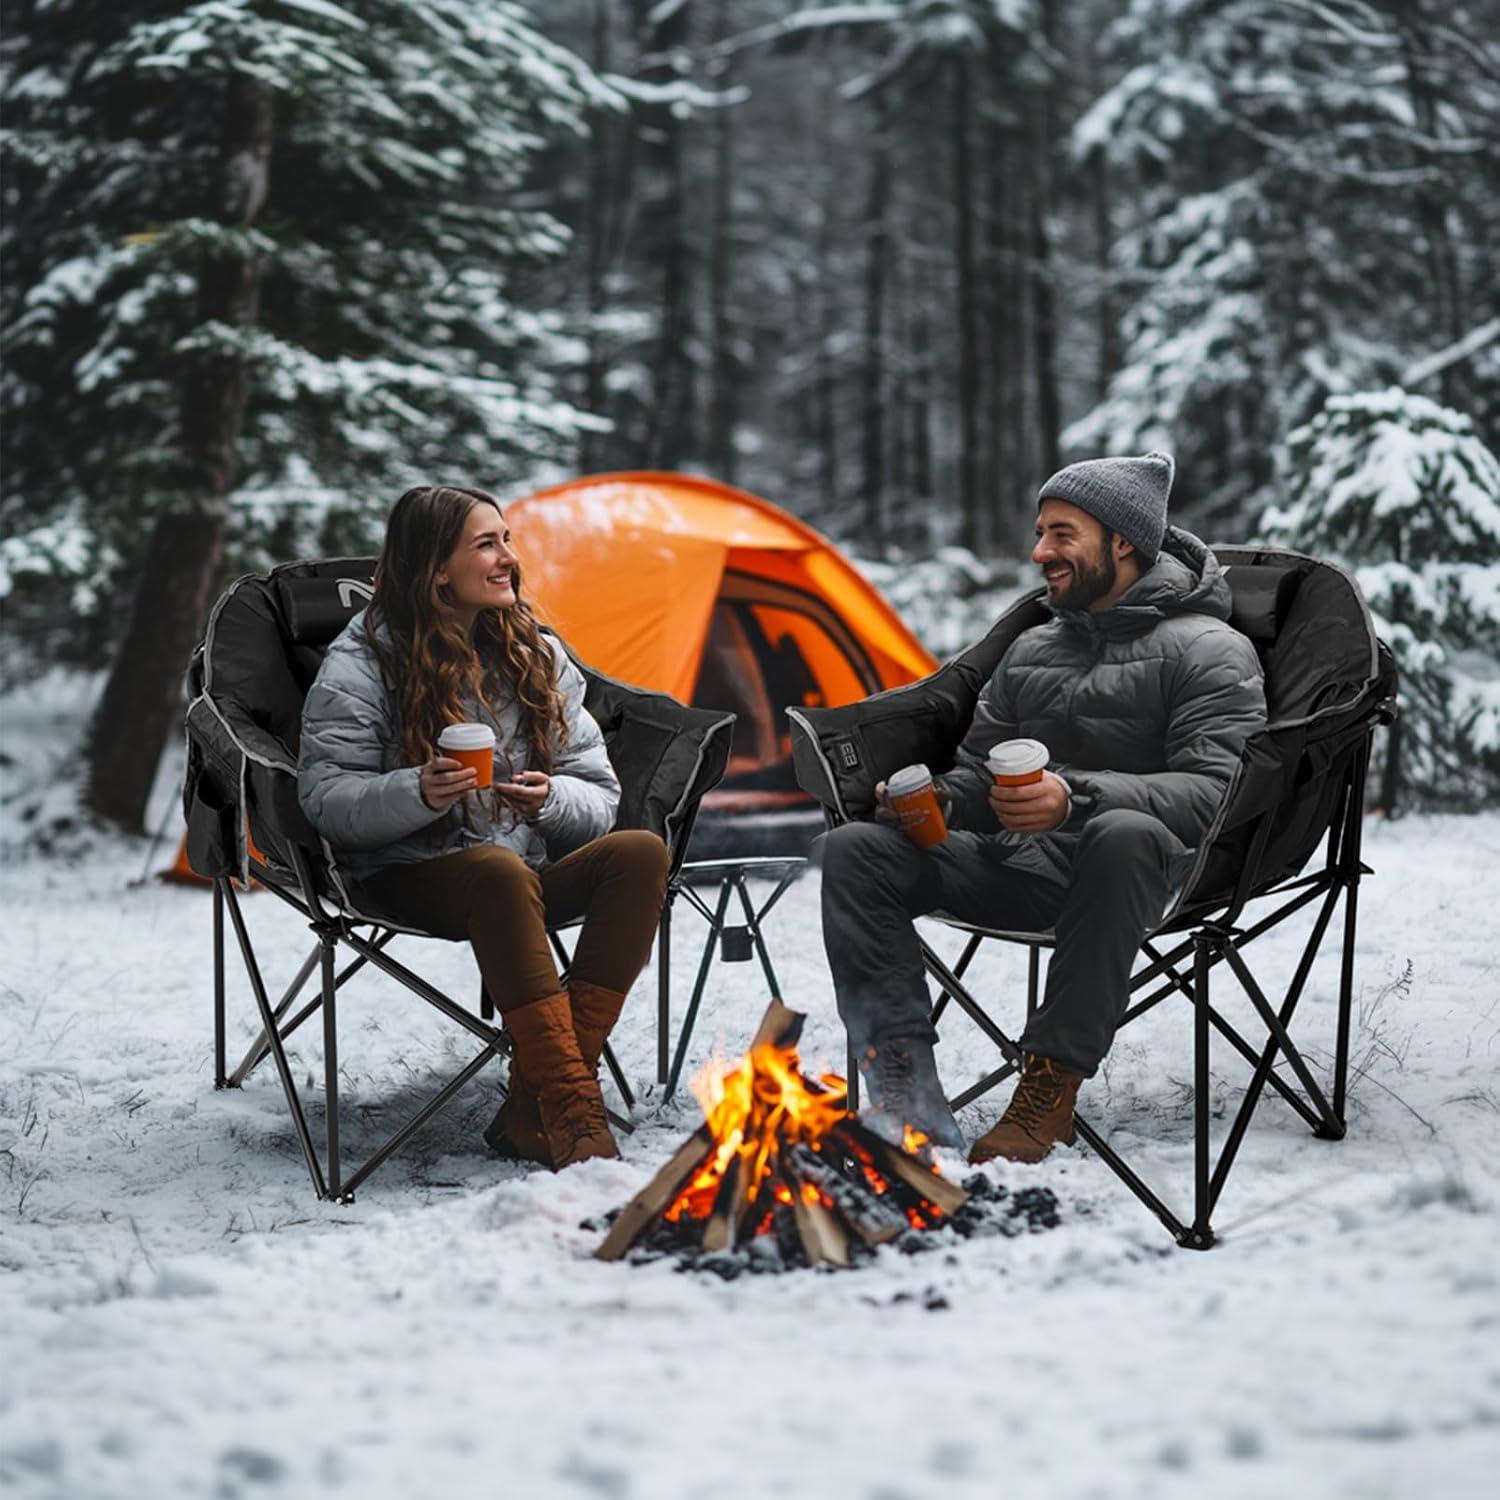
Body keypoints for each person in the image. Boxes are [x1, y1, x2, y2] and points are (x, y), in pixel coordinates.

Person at [819, 452, 1267, 1164]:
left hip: (1134, 878)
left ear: (1123, 540)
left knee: (1122, 832)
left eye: (1061, 534)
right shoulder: (1031, 648)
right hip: (1012, 867)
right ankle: (902, 1086)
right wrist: (937, 797)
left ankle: (1049, 1088)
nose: (1039, 553)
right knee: (854, 849)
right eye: (1039, 533)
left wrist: (1074, 797)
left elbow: (1218, 793)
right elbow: (976, 776)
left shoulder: (1210, 651)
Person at [297, 484, 670, 1170]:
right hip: (407, 876)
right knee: (497, 871)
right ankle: (570, 1105)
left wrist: (550, 799)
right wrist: (419, 789)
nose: (508, 559)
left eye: (508, 541)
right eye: (486, 544)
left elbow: (601, 794)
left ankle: (537, 1107)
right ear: (437, 567)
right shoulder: (364, 663)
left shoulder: (535, 655)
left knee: (640, 853)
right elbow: (326, 799)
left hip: (513, 878)